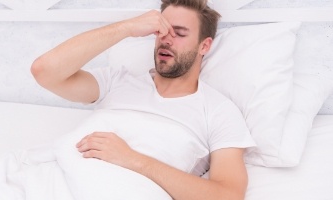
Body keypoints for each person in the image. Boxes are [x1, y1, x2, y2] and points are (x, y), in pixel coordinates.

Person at [31, 0, 255, 199]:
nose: (167, 40)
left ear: (204, 46)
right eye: (162, 31)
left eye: (179, 33)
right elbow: (44, 71)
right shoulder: (117, 80)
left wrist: (131, 159)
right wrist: (126, 27)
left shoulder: (219, 111)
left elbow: (228, 195)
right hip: (50, 180)